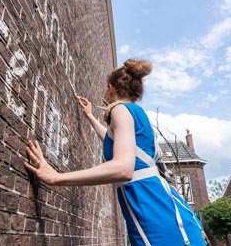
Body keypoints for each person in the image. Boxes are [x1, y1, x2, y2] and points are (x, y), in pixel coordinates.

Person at [24, 59, 209, 246]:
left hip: (154, 211)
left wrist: (56, 177)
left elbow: (123, 168)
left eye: (106, 88)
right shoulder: (135, 112)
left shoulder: (120, 109)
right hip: (161, 208)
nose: (104, 93)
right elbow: (117, 144)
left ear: (111, 88)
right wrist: (89, 116)